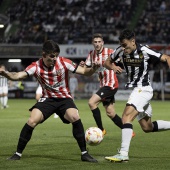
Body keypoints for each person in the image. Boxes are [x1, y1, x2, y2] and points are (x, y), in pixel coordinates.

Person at [0, 40, 99, 162]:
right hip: (47, 99)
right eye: (51, 56)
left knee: (74, 116)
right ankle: (17, 154)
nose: (54, 58)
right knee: (32, 121)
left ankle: (84, 154)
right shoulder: (35, 66)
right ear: (44, 54)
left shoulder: (64, 62)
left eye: (56, 55)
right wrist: (7, 74)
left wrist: (93, 68)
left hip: (64, 98)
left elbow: (85, 72)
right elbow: (18, 76)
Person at [104, 29, 170, 162]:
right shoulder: (120, 50)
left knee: (126, 116)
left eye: (125, 45)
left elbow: (166, 57)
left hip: (143, 89)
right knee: (147, 127)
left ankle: (123, 153)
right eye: (122, 45)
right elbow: (106, 62)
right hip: (137, 90)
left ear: (133, 41)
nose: (124, 48)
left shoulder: (144, 50)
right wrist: (113, 67)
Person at [81, 33, 135, 137]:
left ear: (103, 43)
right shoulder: (91, 54)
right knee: (110, 113)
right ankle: (129, 131)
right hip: (103, 85)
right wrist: (83, 65)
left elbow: (121, 61)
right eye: (95, 42)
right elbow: (86, 70)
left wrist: (118, 67)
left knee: (92, 103)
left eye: (99, 42)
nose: (97, 44)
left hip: (111, 84)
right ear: (93, 43)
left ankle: (101, 130)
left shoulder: (110, 52)